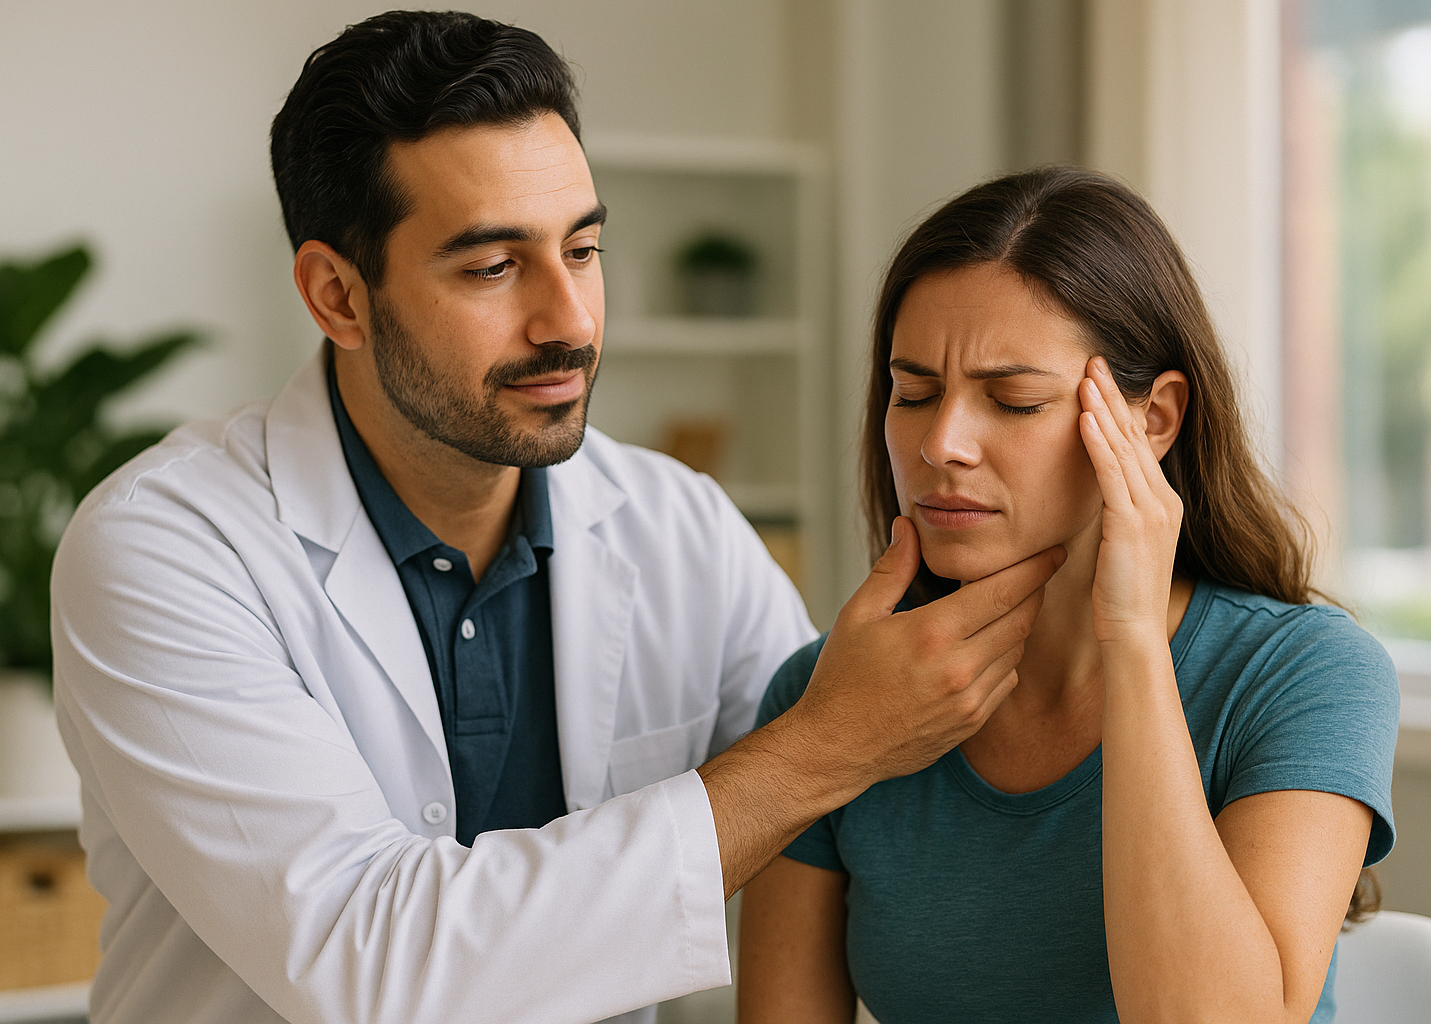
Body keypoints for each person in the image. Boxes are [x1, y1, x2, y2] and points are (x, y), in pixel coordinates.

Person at [48, 13, 1066, 1024]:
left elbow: (867, 827)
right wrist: (826, 744)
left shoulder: (679, 528)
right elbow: (368, 960)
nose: (570, 320)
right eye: (493, 268)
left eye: (582, 249)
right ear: (338, 296)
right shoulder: (163, 549)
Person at [738, 167, 1400, 1024]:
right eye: (914, 393)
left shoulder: (1306, 674)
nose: (942, 444)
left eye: (1013, 401)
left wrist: (1133, 641)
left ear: (1153, 420)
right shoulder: (827, 695)